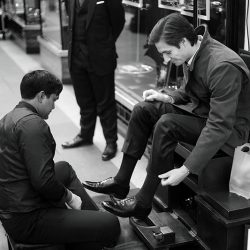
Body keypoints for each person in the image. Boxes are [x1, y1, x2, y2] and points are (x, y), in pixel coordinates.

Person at [82, 13, 250, 219]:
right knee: (143, 109)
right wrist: (166, 97)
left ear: (182, 41)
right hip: (203, 114)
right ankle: (121, 181)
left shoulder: (222, 65)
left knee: (166, 124)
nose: (166, 59)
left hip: (229, 132)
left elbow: (220, 126)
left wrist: (186, 169)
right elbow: (193, 89)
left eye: (168, 53)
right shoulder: (195, 49)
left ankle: (143, 202)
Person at [0, 70, 120, 250]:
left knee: (63, 167)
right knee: (111, 224)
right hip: (27, 219)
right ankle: (94, 229)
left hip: (16, 201)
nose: (54, 106)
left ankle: (89, 218)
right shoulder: (33, 125)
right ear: (41, 96)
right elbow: (43, 181)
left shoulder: (10, 117)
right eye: (54, 100)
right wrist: (70, 197)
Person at [61, 0, 125, 161]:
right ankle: (85, 135)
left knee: (105, 103)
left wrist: (105, 43)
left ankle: (111, 142)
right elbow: (71, 18)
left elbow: (119, 21)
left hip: (100, 57)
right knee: (84, 101)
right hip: (76, 56)